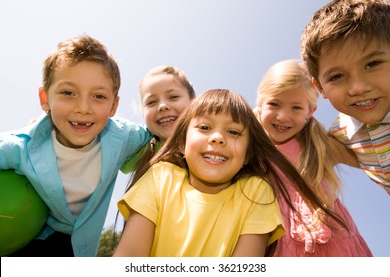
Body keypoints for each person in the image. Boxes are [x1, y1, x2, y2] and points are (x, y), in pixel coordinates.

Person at [113, 89, 348, 257]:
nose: (218, 137)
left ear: (247, 155)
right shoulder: (160, 176)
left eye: (234, 132)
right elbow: (129, 258)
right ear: (183, 143)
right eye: (205, 127)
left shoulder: (257, 192)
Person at [0, 35, 151, 256]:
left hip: (78, 249)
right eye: (68, 93)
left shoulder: (122, 137)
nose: (83, 107)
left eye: (98, 96)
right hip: (33, 238)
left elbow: (158, 140)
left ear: (113, 106)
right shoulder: (21, 146)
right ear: (45, 98)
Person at [255, 59, 372, 256]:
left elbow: (371, 156)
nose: (283, 116)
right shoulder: (248, 144)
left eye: (296, 108)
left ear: (310, 111)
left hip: (335, 244)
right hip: (275, 243)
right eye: (274, 104)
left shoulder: (319, 145)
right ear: (260, 104)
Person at [300, 0, 390, 195]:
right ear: (321, 88)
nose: (357, 88)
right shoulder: (340, 134)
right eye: (337, 76)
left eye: (373, 64)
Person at [120, 65, 195, 174]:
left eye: (173, 97)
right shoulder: (139, 149)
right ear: (142, 112)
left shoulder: (211, 143)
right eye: (151, 102)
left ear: (194, 101)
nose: (162, 106)